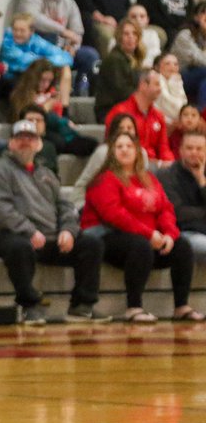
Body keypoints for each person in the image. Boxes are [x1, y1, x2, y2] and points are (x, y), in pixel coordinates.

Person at [0, 120, 108, 325]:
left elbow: (65, 206)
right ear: (10, 143)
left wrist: (68, 230)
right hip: (13, 235)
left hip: (50, 237)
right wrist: (29, 231)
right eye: (19, 138)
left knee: (91, 243)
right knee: (18, 246)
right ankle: (28, 305)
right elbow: (0, 210)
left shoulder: (47, 173)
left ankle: (82, 306)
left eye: (30, 138)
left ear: (39, 144)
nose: (25, 142)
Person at [82, 131, 201, 323]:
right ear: (111, 152)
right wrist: (149, 233)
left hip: (147, 238)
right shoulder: (104, 179)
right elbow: (114, 215)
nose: (124, 150)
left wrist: (169, 234)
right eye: (119, 146)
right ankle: (134, 307)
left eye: (129, 146)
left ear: (137, 151)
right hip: (109, 237)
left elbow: (165, 209)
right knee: (140, 245)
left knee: (182, 246)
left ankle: (181, 306)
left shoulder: (148, 178)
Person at [18, 0, 99, 90]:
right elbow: (33, 19)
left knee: (90, 55)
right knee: (50, 35)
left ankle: (80, 89)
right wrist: (62, 31)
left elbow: (77, 31)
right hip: (38, 49)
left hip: (63, 49)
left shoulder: (69, 2)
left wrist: (72, 46)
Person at [105, 69, 175, 167]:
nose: (160, 89)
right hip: (128, 165)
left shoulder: (158, 116)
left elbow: (164, 147)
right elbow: (112, 144)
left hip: (155, 166)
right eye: (157, 84)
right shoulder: (120, 112)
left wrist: (171, 165)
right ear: (143, 85)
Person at [157, 130, 206, 265]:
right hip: (185, 233)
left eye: (199, 149)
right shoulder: (166, 175)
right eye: (189, 148)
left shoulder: (204, 175)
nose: (194, 152)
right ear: (181, 150)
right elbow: (178, 213)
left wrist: (201, 180)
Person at [72, 114, 143, 206]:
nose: (126, 132)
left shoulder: (142, 153)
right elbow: (82, 184)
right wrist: (80, 207)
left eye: (129, 128)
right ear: (113, 132)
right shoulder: (103, 152)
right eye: (121, 128)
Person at [94, 19, 145, 122]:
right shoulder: (114, 59)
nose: (131, 37)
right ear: (119, 37)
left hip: (126, 108)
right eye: (126, 34)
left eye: (134, 33)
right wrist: (144, 95)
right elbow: (121, 92)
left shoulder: (133, 59)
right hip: (111, 111)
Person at [170, 1, 206, 105]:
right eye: (203, 13)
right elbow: (200, 60)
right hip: (180, 76)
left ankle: (202, 115)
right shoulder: (185, 35)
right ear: (196, 17)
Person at [155, 53, 188, 125]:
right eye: (167, 64)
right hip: (160, 122)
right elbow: (177, 109)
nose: (172, 67)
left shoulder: (176, 81)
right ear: (159, 67)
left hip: (176, 123)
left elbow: (184, 105)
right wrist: (174, 83)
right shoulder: (157, 81)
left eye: (176, 64)